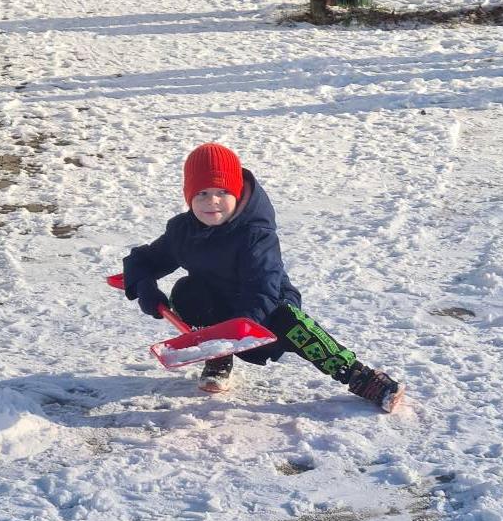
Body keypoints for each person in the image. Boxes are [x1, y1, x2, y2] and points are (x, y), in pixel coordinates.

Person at [122, 142, 404, 412]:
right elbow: (142, 260)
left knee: (292, 322)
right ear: (189, 196)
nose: (212, 201)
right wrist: (145, 286)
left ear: (236, 192)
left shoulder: (256, 234)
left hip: (265, 308)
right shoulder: (183, 232)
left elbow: (263, 288)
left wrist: (239, 330)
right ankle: (219, 359)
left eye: (222, 191)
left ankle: (360, 377)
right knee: (187, 292)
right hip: (220, 308)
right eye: (202, 193)